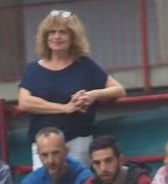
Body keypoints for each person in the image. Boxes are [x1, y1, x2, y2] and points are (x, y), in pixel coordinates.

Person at [20, 9, 124, 164]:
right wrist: (65, 108)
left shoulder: (85, 65)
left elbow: (119, 90)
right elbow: (25, 102)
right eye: (52, 32)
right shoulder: (33, 69)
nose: (57, 36)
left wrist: (92, 95)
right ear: (45, 36)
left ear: (73, 37)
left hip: (79, 142)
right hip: (44, 146)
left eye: (63, 32)